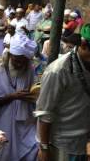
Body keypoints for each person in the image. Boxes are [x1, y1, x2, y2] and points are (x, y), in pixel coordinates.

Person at [35, 24, 90, 161]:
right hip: (61, 145)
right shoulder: (57, 71)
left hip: (83, 141)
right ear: (83, 45)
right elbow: (44, 112)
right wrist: (44, 148)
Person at [0, 34, 38, 161]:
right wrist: (12, 97)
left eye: (23, 61)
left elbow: (35, 90)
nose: (20, 64)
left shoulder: (29, 70)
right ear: (10, 56)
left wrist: (31, 96)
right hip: (2, 121)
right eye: (16, 60)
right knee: (4, 152)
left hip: (24, 120)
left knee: (32, 146)